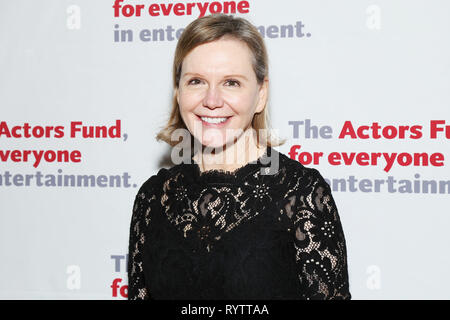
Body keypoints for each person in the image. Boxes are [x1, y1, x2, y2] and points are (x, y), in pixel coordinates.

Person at [128, 13, 351, 300]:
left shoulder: (301, 194)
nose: (211, 100)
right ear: (178, 92)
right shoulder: (152, 197)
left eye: (231, 82)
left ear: (260, 94)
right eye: (196, 81)